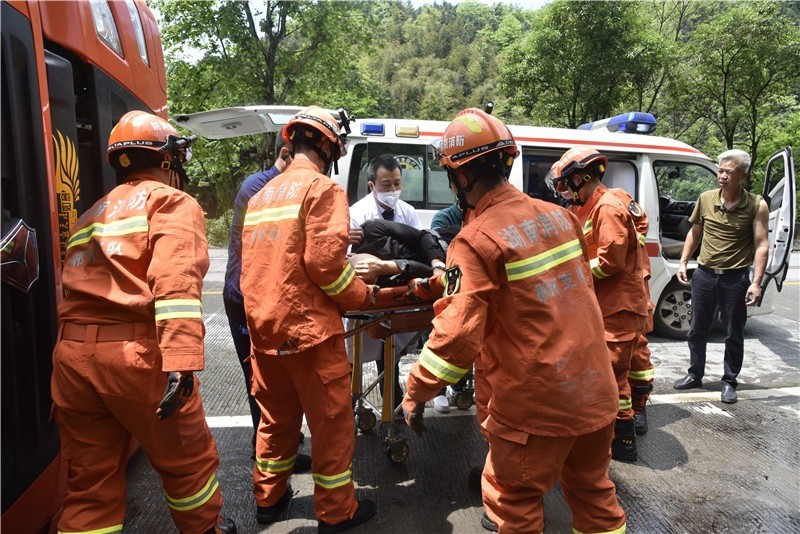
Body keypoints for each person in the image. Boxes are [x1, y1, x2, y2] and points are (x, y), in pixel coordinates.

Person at [402, 108, 626, 533]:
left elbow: (457, 336)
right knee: (595, 496)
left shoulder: (474, 239)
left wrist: (415, 392)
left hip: (536, 408)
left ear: (461, 177)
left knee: (514, 503)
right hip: (595, 392)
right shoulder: (561, 216)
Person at [50, 110, 235, 534]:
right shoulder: (171, 202)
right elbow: (175, 286)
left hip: (72, 358)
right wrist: (182, 361)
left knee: (90, 484)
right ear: (168, 160)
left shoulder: (90, 214)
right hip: (135, 357)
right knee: (188, 464)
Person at [240, 106, 377, 532]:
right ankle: (337, 513)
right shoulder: (322, 189)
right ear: (330, 148)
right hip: (309, 335)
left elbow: (260, 265)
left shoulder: (263, 194)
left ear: (292, 141)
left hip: (264, 332)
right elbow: (325, 266)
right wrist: (362, 295)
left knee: (276, 422)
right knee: (332, 426)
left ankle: (269, 499)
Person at [548, 147, 649, 462]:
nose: (564, 190)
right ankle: (625, 423)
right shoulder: (600, 202)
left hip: (618, 304)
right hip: (614, 301)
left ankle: (623, 440)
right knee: (619, 367)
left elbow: (609, 262)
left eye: (566, 183)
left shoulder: (606, 207)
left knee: (613, 374)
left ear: (581, 177)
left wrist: (572, 274)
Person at [222, 135, 310, 463]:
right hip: (245, 296)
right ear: (285, 154)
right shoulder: (257, 187)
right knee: (259, 380)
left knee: (276, 379)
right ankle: (267, 455)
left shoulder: (286, 186)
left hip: (265, 296)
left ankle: (279, 446)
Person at [673, 149, 769, 404]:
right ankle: (695, 374)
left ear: (743, 175)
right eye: (720, 170)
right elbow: (695, 233)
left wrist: (756, 283)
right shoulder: (705, 199)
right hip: (704, 275)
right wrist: (683, 262)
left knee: (733, 332)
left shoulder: (757, 205)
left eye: (730, 172)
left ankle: (729, 381)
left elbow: (761, 245)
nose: (723, 176)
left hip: (734, 279)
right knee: (697, 329)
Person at [347, 155, 424, 413]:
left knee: (391, 351)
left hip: (398, 294)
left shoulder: (408, 213)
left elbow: (418, 250)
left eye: (396, 184)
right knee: (353, 355)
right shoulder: (357, 214)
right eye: (386, 185)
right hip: (368, 295)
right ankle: (351, 402)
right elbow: (350, 259)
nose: (392, 190)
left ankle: (392, 397)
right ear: (372, 185)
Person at [609, 188, 656, 435]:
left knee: (636, 348)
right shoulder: (576, 207)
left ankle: (638, 406)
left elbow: (640, 224)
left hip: (630, 286)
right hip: (607, 289)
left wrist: (623, 244)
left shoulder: (616, 198)